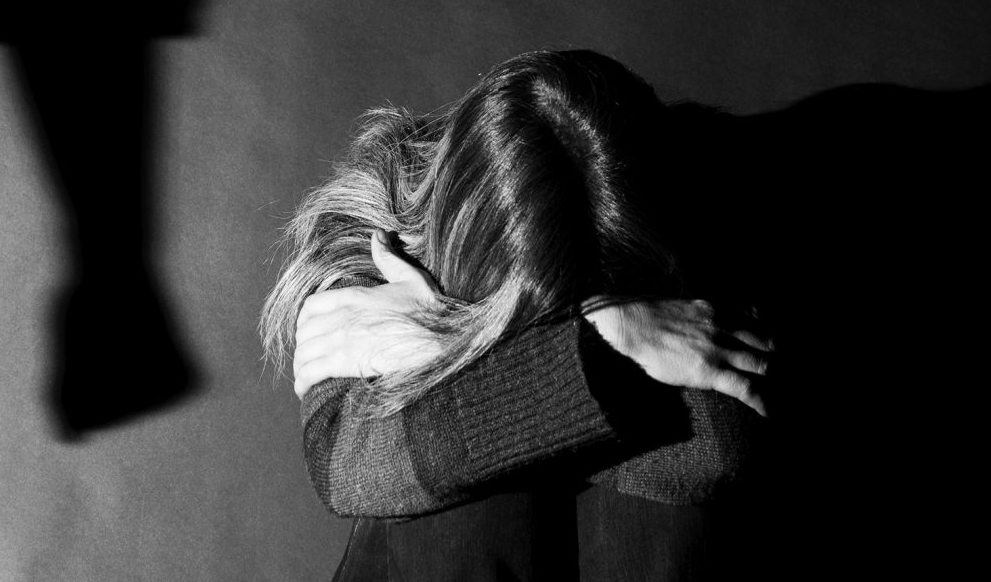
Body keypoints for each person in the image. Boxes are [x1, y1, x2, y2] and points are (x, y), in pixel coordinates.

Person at [262, 50, 778, 579]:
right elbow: (344, 465)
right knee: (465, 501)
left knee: (463, 436)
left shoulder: (711, 198)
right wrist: (608, 342)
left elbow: (723, 449)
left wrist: (448, 349)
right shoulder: (377, 229)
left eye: (595, 298)